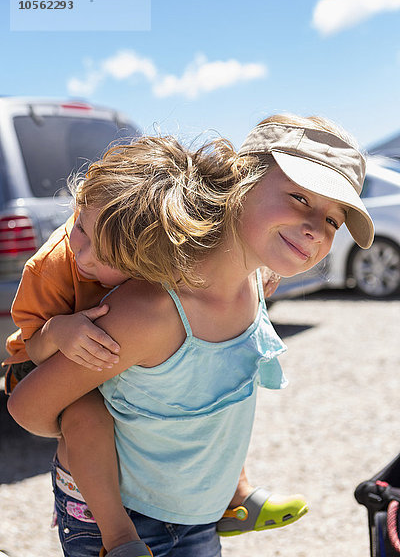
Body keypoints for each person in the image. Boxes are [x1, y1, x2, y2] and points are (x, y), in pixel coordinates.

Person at [7, 115, 374, 557]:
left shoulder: (257, 284)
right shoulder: (152, 310)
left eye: (335, 221)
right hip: (123, 525)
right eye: (299, 197)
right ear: (241, 180)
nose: (317, 227)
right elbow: (28, 405)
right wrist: (78, 425)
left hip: (199, 516)